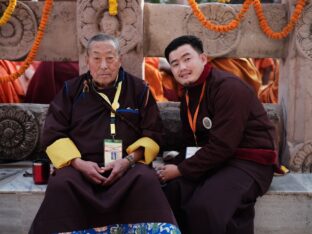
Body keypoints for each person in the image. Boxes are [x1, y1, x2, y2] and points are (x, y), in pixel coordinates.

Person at [29, 34, 179, 233]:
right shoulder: (71, 90)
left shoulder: (138, 90)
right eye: (97, 58)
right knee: (61, 184)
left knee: (146, 179)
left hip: (128, 167)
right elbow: (53, 133)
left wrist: (127, 161)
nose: (103, 65)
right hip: (80, 168)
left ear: (120, 60)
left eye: (110, 58)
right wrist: (79, 164)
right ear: (88, 61)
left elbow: (153, 133)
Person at [156, 35, 278, 234]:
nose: (182, 68)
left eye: (187, 59)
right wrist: (173, 166)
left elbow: (223, 146)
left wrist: (180, 170)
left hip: (249, 162)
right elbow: (190, 142)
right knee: (172, 190)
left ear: (203, 59)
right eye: (175, 64)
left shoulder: (228, 87)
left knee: (205, 207)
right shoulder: (188, 93)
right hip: (216, 160)